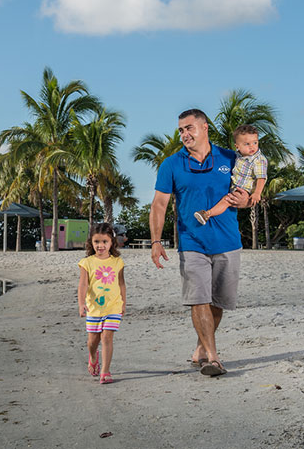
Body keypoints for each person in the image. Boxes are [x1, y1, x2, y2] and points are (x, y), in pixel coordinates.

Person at [149, 109, 250, 377]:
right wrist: (156, 240)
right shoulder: (171, 164)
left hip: (228, 242)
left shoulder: (231, 158)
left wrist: (247, 200)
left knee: (217, 303)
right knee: (199, 300)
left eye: (189, 128)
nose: (184, 134)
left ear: (205, 128)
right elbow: (160, 204)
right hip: (192, 242)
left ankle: (199, 348)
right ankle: (213, 359)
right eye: (181, 130)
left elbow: (250, 191)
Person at [77, 222, 127, 384]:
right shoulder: (87, 263)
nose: (100, 245)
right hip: (94, 308)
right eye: (97, 242)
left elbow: (121, 284)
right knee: (93, 340)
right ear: (91, 242)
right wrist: (81, 303)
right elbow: (83, 284)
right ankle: (93, 356)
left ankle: (105, 371)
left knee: (107, 337)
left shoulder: (117, 262)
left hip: (113, 306)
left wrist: (123, 303)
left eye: (104, 242)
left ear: (111, 242)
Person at [194, 124, 267, 225]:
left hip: (245, 189)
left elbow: (261, 178)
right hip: (237, 187)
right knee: (226, 200)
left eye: (255, 142)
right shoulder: (238, 155)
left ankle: (207, 214)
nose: (252, 147)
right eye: (247, 144)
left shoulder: (258, 160)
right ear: (237, 146)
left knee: (226, 200)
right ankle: (206, 214)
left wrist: (257, 193)